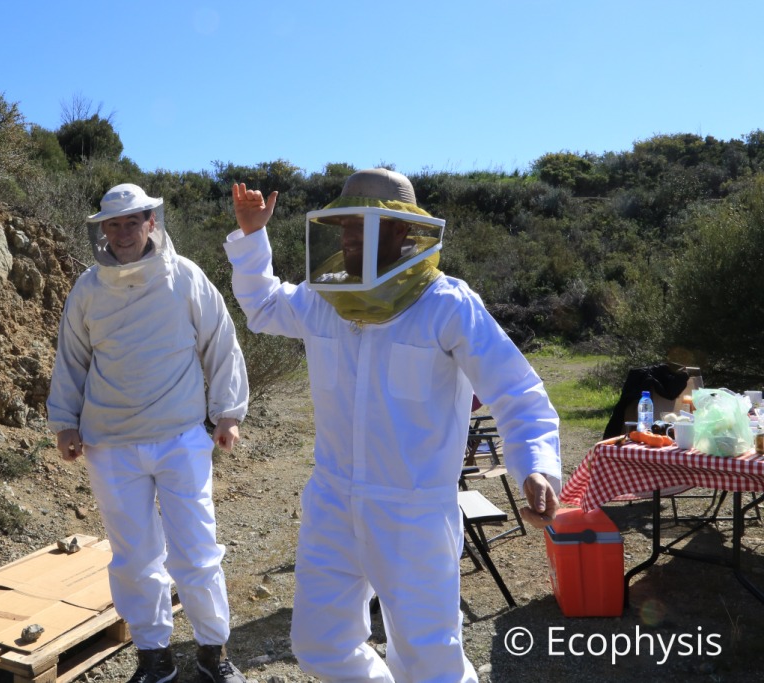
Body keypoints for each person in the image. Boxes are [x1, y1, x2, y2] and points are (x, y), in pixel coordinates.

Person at [224, 169, 561, 683]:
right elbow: (265, 305)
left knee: (429, 661)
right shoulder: (323, 298)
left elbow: (516, 391)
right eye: (344, 224)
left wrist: (535, 465)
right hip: (332, 500)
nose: (348, 237)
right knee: (319, 643)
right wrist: (252, 237)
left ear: (402, 229)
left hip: (414, 509)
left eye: (361, 225)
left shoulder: (446, 304)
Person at [47, 183, 250, 683]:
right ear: (102, 230)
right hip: (110, 443)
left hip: (180, 437)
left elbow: (220, 342)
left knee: (196, 551)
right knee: (134, 557)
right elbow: (71, 358)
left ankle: (213, 653)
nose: (122, 233)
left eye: (131, 222)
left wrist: (228, 413)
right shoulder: (88, 288)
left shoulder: (185, 276)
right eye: (113, 224)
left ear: (151, 222)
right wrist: (65, 422)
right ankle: (154, 658)